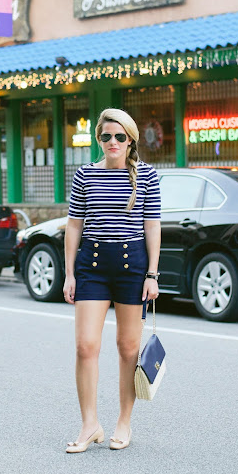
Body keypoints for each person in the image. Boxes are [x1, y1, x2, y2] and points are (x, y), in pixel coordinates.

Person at [64, 108, 161, 453]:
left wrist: (152, 274)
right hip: (91, 264)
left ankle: (124, 421)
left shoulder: (146, 175)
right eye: (106, 136)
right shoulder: (85, 174)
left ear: (130, 139)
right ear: (99, 139)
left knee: (128, 348)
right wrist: (69, 273)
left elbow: (152, 225)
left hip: (132, 266)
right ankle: (90, 424)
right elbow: (74, 224)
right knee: (85, 346)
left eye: (120, 136)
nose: (113, 142)